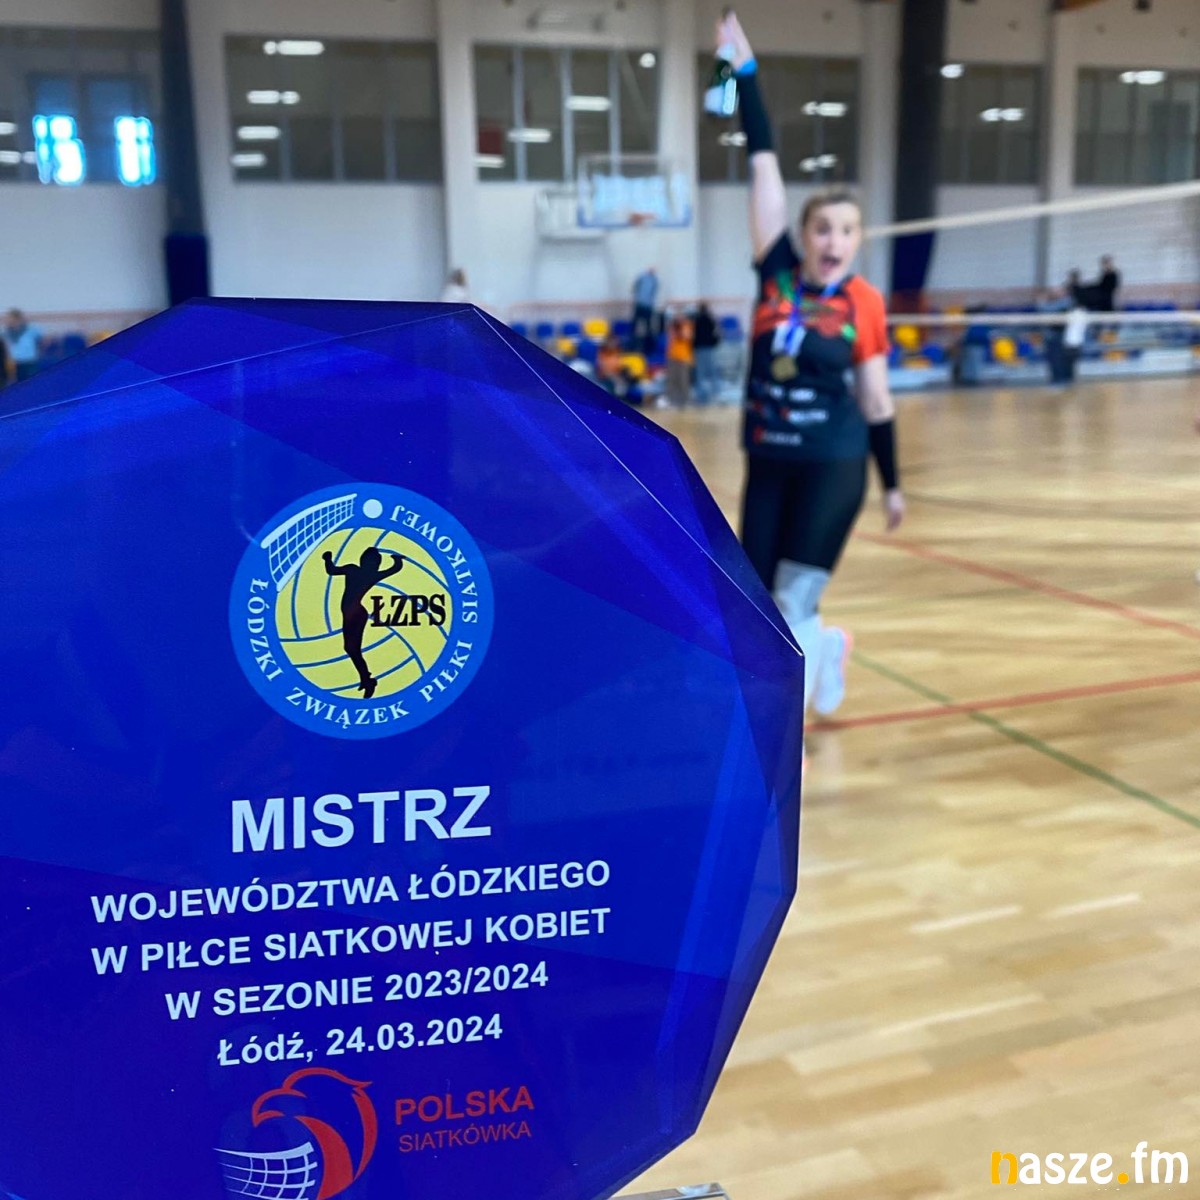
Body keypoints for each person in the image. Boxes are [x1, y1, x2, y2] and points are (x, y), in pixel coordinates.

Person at [719, 10, 904, 717]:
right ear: (803, 234)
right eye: (822, 228)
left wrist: (892, 484)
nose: (834, 241)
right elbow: (762, 164)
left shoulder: (865, 302)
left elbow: (876, 399)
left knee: (794, 596)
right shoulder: (776, 274)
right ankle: (827, 649)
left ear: (858, 241)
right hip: (769, 460)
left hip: (834, 463)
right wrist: (746, 73)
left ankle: (781, 732)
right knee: (758, 599)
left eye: (846, 231)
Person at [323, 546, 404, 699]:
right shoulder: (355, 570)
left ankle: (367, 680)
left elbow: (394, 569)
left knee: (352, 648)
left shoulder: (361, 572)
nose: (374, 565)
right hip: (352, 614)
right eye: (372, 561)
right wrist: (396, 560)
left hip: (356, 615)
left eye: (375, 563)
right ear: (364, 561)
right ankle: (366, 679)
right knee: (351, 649)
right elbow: (332, 570)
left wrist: (327, 558)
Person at [692, 302, 722, 404]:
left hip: (700, 348)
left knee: (701, 373)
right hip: (709, 348)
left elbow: (693, 335)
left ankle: (702, 396)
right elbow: (717, 333)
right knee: (713, 372)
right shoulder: (711, 319)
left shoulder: (696, 320)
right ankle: (716, 394)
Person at [2, 309, 43, 383]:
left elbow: (41, 340)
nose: (9, 321)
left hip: (29, 361)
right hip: (15, 363)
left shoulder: (31, 329)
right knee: (18, 383)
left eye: (11, 318)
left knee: (31, 381)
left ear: (18, 319)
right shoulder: (6, 332)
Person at [664, 313, 693, 407]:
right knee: (672, 379)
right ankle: (672, 400)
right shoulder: (672, 327)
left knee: (683, 380)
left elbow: (687, 336)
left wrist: (679, 330)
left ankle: (685, 401)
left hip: (683, 357)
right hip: (672, 356)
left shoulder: (687, 325)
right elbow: (670, 339)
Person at [631, 266, 659, 356]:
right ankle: (633, 344)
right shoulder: (642, 277)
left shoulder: (655, 280)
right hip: (640, 304)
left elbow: (654, 291)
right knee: (635, 324)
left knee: (648, 327)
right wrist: (636, 297)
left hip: (648, 306)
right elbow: (635, 286)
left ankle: (648, 346)